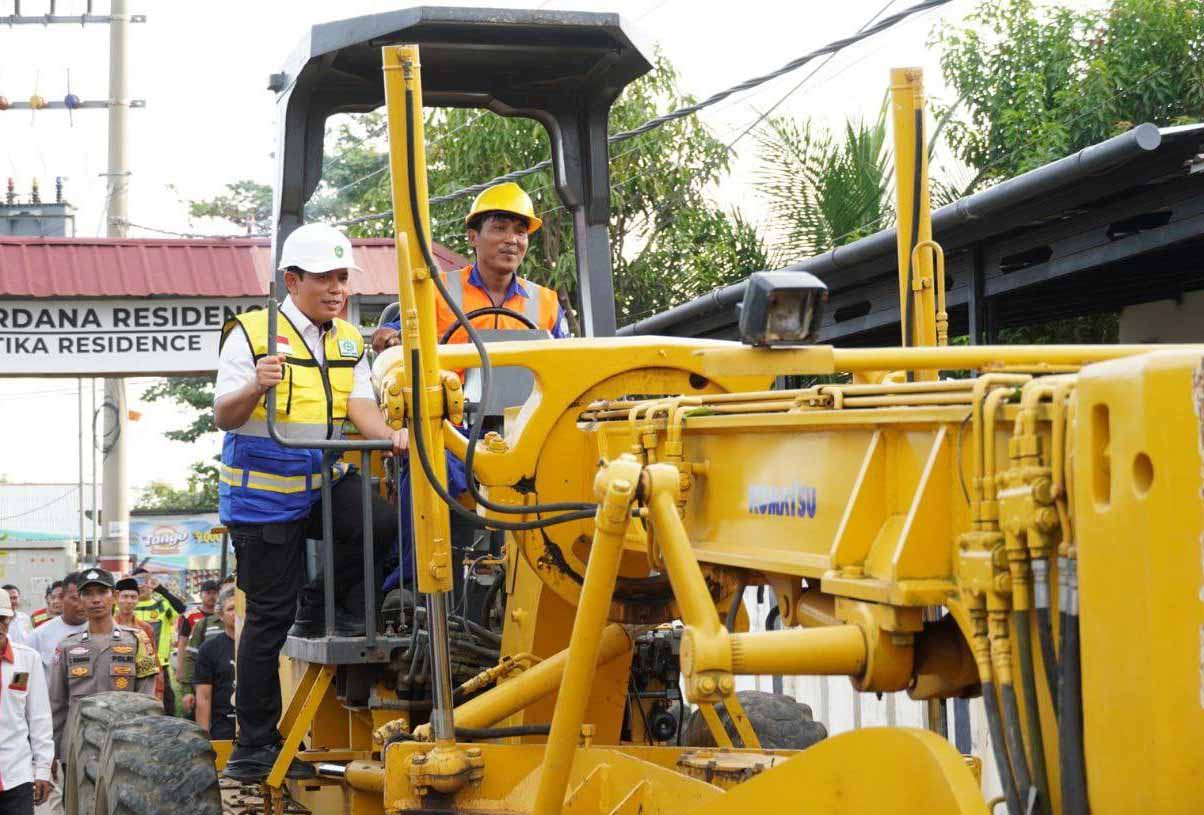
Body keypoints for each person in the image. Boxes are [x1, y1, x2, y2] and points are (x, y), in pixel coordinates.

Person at [214, 222, 402, 782]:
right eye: (325, 277)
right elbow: (224, 414)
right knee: (268, 622)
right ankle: (255, 747)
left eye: (343, 277)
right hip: (263, 504)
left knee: (382, 519)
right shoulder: (250, 334)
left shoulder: (347, 338)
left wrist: (391, 435)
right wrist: (256, 387)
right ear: (292, 280)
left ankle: (325, 603)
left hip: (319, 485)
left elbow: (360, 404)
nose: (337, 288)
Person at [370, 182, 568, 354]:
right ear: (473, 237)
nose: (512, 240)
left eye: (521, 232)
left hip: (531, 399)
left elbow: (567, 360)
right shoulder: (437, 292)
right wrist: (387, 336)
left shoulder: (547, 303)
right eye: (500, 228)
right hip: (451, 397)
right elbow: (395, 333)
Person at [47, 570, 157, 764]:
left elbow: (148, 699)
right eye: (88, 594)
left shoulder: (137, 641)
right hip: (78, 746)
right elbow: (57, 703)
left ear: (114, 596)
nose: (95, 600)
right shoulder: (66, 646)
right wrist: (52, 755)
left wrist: (144, 744)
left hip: (124, 744)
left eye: (101, 592)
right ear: (80, 600)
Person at [0, 589, 53, 815]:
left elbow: (39, 717)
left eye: (2, 619)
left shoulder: (27, 659)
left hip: (16, 774)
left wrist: (42, 770)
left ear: (11, 618)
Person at [129, 568, 186, 715]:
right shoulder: (123, 606)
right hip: (130, 664)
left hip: (159, 665)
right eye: (137, 582)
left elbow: (182, 610)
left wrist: (160, 589)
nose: (141, 586)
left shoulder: (162, 605)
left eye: (144, 581)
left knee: (166, 706)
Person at [178, 576, 233, 717]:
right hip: (206, 687)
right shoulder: (203, 623)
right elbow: (190, 656)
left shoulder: (249, 625)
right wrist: (187, 691)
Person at [193, 589, 236, 741]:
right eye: (231, 608)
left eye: (241, 608)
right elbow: (204, 697)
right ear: (221, 615)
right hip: (223, 730)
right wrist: (203, 738)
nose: (236, 613)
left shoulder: (261, 645)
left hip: (258, 730)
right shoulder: (209, 649)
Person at [113, 579, 162, 701]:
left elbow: (153, 661)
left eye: (133, 597)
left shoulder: (145, 628)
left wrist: (158, 693)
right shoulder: (108, 626)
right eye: (125, 597)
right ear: (116, 597)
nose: (129, 601)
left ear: (138, 599)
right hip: (112, 684)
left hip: (139, 685)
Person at [28, 575, 86, 675]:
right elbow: (25, 672)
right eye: (75, 598)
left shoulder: (103, 630)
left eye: (85, 597)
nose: (81, 604)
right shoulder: (38, 635)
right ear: (63, 598)